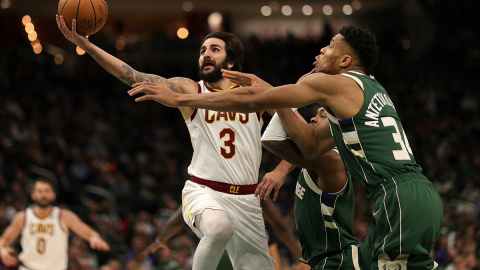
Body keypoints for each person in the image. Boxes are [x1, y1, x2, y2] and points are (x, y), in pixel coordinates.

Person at [128, 25, 444, 269]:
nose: (322, 48)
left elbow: (250, 101)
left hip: (398, 196)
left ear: (346, 61)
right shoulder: (364, 90)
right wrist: (275, 98)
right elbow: (306, 148)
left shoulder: (335, 84)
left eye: (330, 46)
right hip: (410, 195)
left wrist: (181, 99)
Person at [56, 16, 275, 270]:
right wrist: (88, 46)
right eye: (203, 50)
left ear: (232, 61)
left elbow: (292, 119)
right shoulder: (190, 89)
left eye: (214, 50)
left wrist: (280, 170)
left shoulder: (253, 95)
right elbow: (134, 75)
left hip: (247, 199)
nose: (205, 55)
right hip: (205, 191)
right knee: (219, 228)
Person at [0, 177, 110, 270]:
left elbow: (89, 232)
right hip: (28, 267)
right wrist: (2, 250)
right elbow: (4, 240)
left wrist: (94, 238)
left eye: (47, 191)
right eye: (40, 191)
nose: (43, 194)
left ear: (53, 195)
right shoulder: (23, 217)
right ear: (33, 195)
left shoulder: (64, 216)